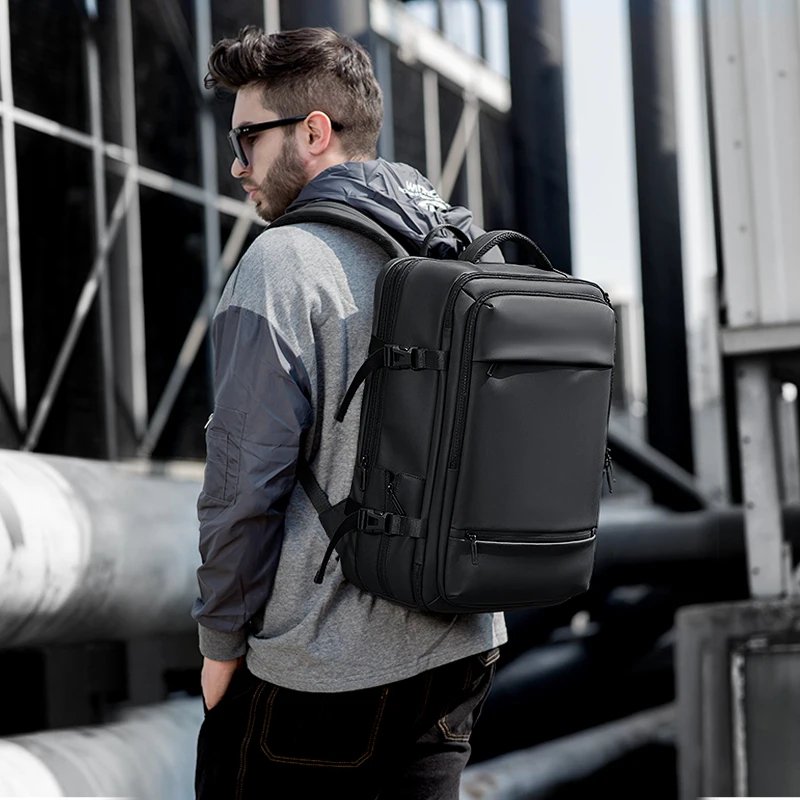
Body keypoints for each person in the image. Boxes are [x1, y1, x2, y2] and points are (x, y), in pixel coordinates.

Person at [191, 24, 507, 799]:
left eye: (247, 139)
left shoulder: (281, 263)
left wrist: (219, 643)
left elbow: (242, 487)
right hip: (462, 649)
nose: (236, 166)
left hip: (321, 672)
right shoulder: (470, 250)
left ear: (313, 132)